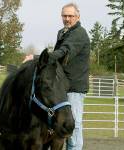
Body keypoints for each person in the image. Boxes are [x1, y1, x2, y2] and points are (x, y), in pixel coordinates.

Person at [49, 3, 90, 150]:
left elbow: (64, 51)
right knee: (59, 121)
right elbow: (56, 60)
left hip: (74, 87)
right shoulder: (62, 32)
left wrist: (40, 57)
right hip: (61, 86)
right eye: (64, 16)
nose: (67, 19)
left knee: (74, 123)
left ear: (77, 17)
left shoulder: (79, 33)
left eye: (70, 16)